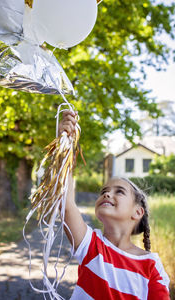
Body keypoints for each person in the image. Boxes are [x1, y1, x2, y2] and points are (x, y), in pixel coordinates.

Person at [58, 110, 170, 300]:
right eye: (104, 191)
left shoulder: (151, 265)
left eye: (119, 191)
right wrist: (65, 148)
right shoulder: (91, 245)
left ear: (137, 212)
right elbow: (67, 205)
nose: (107, 193)